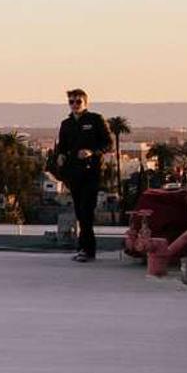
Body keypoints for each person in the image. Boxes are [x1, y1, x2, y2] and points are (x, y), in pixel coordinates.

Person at [54, 88, 112, 262]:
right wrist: (61, 156)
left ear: (86, 102)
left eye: (78, 101)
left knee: (87, 210)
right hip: (74, 173)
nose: (74, 105)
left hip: (91, 172)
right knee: (80, 211)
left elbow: (108, 143)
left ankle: (87, 249)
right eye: (71, 101)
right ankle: (84, 248)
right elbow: (62, 146)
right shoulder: (66, 124)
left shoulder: (95, 120)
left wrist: (91, 152)